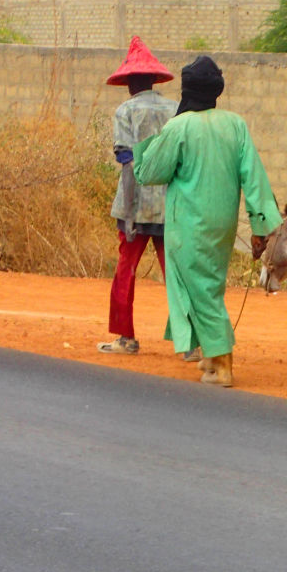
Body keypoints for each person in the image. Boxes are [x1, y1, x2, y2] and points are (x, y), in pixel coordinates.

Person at [133, 55, 281, 387]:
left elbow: (150, 172)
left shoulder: (179, 126)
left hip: (188, 224)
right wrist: (259, 228)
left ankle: (224, 364)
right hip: (223, 224)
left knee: (199, 289)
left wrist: (144, 148)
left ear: (188, 90)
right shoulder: (235, 124)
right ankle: (211, 359)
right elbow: (254, 178)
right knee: (208, 285)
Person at [97, 36, 180, 356]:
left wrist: (130, 214)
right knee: (175, 274)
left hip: (135, 204)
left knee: (125, 271)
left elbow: (127, 164)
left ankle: (125, 337)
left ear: (130, 82)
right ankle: (187, 344)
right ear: (153, 80)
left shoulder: (126, 111)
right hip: (169, 205)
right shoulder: (175, 109)